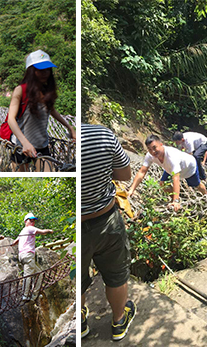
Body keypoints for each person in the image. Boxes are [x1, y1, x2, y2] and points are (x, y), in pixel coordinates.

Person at [81, 124, 136, 341]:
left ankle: (81, 323)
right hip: (105, 221)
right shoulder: (100, 134)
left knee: (78, 277)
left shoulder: (46, 131)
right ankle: (119, 322)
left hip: (77, 225)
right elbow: (124, 173)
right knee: (116, 274)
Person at [6, 50, 76, 171]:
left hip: (41, 145)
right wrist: (25, 143)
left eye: (48, 69)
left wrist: (70, 127)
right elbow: (11, 119)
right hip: (20, 145)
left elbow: (52, 111)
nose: (45, 73)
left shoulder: (46, 91)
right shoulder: (20, 90)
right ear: (31, 71)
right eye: (41, 70)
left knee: (49, 175)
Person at [128, 135, 206, 211]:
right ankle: (173, 200)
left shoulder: (171, 156)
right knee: (163, 184)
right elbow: (142, 172)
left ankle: (206, 196)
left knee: (197, 185)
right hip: (170, 169)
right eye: (149, 149)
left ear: (161, 145)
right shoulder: (150, 156)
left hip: (188, 167)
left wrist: (176, 201)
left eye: (154, 148)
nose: (153, 152)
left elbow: (176, 178)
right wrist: (131, 190)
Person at [11, 213, 53, 301]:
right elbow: (43, 232)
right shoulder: (30, 228)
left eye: (33, 220)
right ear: (25, 221)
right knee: (28, 275)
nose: (33, 222)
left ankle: (34, 295)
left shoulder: (22, 232)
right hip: (28, 255)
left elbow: (14, 242)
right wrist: (49, 230)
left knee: (39, 274)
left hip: (22, 256)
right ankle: (25, 295)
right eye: (31, 220)